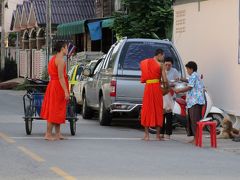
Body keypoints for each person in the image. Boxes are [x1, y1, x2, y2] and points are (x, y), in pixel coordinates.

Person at [41, 41, 70, 141]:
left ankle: (58, 134)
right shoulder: (60, 60)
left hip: (53, 85)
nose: (67, 49)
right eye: (66, 47)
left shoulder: (53, 59)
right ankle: (48, 134)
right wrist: (66, 91)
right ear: (62, 48)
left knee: (57, 109)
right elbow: (61, 77)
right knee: (54, 110)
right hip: (58, 86)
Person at [174, 61, 205, 144]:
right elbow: (188, 80)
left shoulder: (194, 75)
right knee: (192, 120)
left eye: (187, 69)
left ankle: (197, 139)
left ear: (191, 69)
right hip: (193, 101)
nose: (187, 71)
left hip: (195, 101)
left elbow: (189, 87)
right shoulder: (194, 75)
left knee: (194, 120)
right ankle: (195, 138)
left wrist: (179, 90)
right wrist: (180, 79)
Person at [140, 49, 168, 141]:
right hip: (156, 88)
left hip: (148, 88)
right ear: (159, 55)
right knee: (158, 109)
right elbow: (164, 79)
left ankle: (146, 136)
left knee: (147, 109)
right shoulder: (161, 65)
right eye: (163, 56)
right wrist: (167, 88)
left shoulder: (145, 62)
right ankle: (157, 136)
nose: (163, 58)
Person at [160, 57, 180, 140]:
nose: (168, 66)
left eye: (169, 65)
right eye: (166, 65)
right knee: (161, 114)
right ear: (164, 64)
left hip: (170, 94)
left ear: (172, 65)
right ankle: (161, 132)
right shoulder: (161, 70)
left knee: (169, 114)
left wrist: (171, 83)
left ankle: (168, 133)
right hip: (162, 94)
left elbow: (177, 82)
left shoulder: (174, 71)